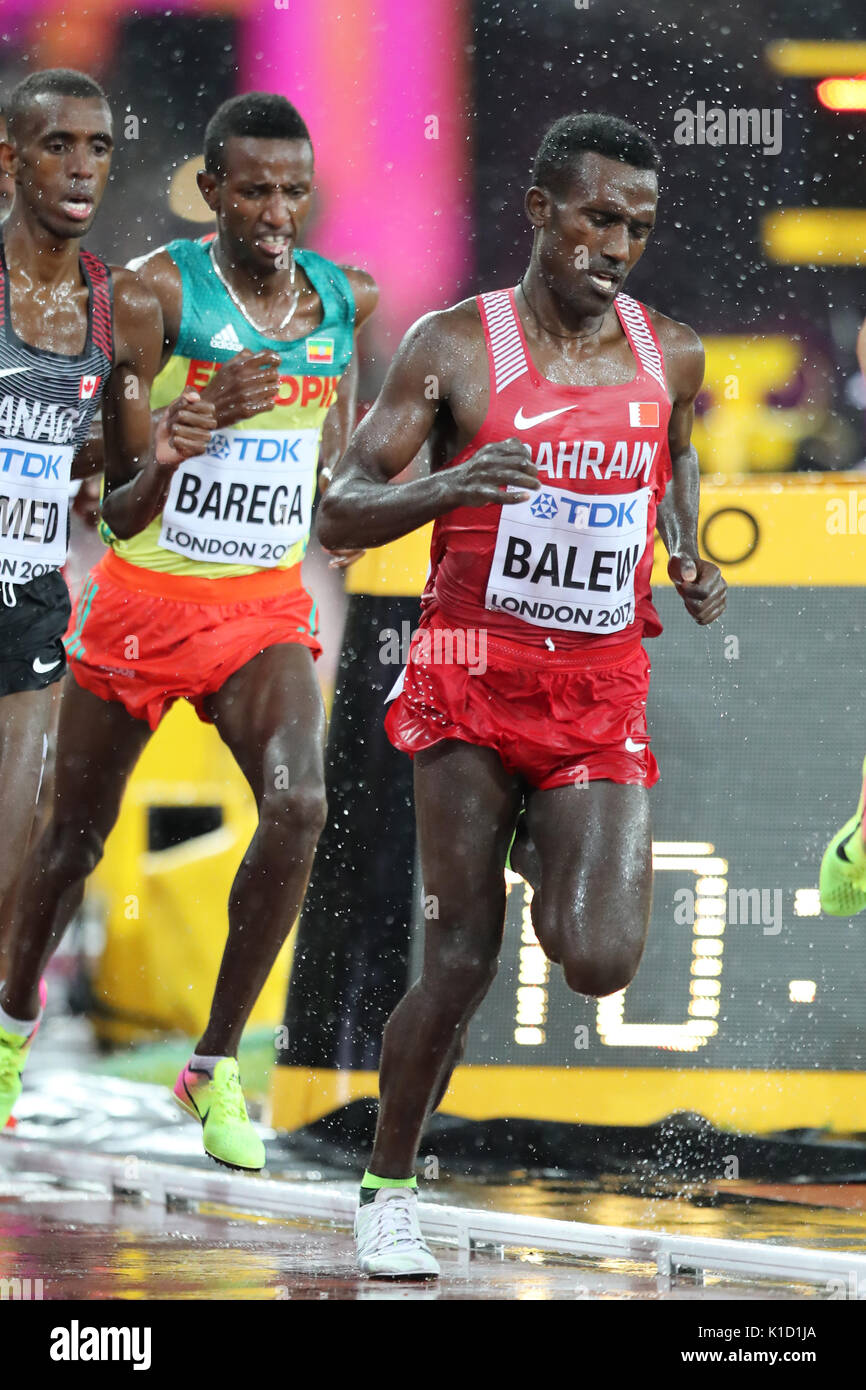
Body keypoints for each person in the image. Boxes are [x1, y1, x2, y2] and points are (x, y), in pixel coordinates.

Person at [318, 113, 727, 1276]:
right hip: (467, 680)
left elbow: (674, 448)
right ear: (540, 210)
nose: (617, 246)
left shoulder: (670, 352)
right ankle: (390, 1185)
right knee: (458, 962)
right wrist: (453, 479)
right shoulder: (454, 347)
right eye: (598, 218)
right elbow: (341, 510)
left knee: (597, 958)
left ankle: (540, 835)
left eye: (639, 227)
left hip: (599, 684)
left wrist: (684, 547)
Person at [0, 91, 378, 1172]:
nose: (274, 211)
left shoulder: (339, 303)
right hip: (139, 602)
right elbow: (118, 508)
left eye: (293, 191)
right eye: (252, 190)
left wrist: (348, 515)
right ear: (211, 190)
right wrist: (183, 434)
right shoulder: (155, 296)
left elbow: (335, 468)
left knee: (299, 802)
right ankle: (11, 1026)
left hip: (259, 606)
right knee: (69, 839)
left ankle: (213, 1066)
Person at [0, 67, 214, 1088]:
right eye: (57, 146)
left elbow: (113, 465)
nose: (81, 168)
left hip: (30, 593)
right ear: (9, 159)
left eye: (97, 149)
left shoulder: (115, 304)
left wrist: (155, 450)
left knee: (18, 845)